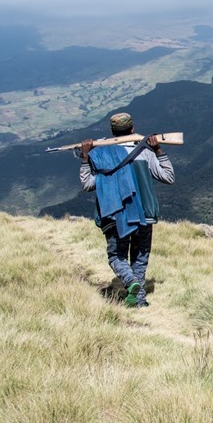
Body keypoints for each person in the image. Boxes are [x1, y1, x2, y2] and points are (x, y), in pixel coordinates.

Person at [79, 112, 175, 307]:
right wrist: (158, 150)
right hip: (145, 215)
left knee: (116, 256)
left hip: (115, 214)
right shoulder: (145, 152)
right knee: (140, 257)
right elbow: (168, 177)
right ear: (132, 129)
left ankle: (131, 283)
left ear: (112, 132)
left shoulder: (101, 154)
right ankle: (138, 302)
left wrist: (84, 157)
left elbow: (88, 184)